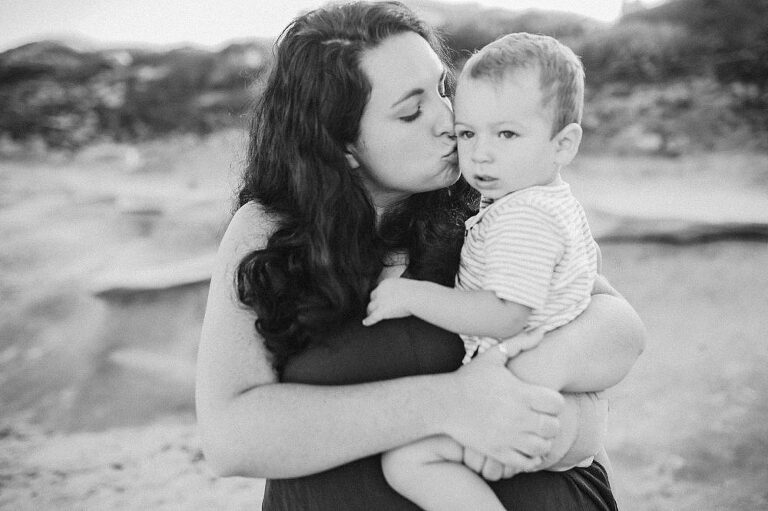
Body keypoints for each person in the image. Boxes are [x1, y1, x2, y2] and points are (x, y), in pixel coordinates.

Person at [195, 2, 645, 510]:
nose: (450, 122)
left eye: (444, 90)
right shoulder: (270, 232)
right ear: (341, 144)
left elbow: (620, 328)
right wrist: (451, 404)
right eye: (412, 112)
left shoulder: (494, 202)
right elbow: (230, 438)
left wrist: (536, 381)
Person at [363, 32, 606, 511]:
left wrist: (410, 297)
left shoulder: (525, 217)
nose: (480, 153)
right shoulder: (536, 199)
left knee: (411, 461)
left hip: (527, 401)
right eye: (468, 133)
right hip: (544, 399)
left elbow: (504, 313)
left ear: (564, 144)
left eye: (507, 134)